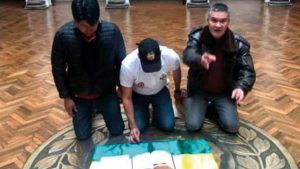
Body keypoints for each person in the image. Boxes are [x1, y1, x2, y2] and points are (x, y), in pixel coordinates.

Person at [51, 0, 126, 140]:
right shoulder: (62, 36)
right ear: (75, 21)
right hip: (80, 95)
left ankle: (98, 109)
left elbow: (121, 63)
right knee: (82, 136)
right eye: (84, 26)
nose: (89, 30)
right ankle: (91, 111)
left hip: (106, 93)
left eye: (93, 25)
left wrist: (122, 88)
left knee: (117, 130)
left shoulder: (112, 31)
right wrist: (66, 97)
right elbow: (58, 69)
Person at [183, 3, 256, 133]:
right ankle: (190, 101)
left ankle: (211, 110)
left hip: (223, 93)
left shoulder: (239, 43)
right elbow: (188, 55)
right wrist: (198, 59)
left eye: (223, 21)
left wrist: (241, 87)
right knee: (193, 125)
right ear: (208, 21)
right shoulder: (197, 36)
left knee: (232, 127)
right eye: (214, 20)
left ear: (228, 22)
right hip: (199, 91)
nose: (218, 25)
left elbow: (247, 70)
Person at [121, 38, 183, 143]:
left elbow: (177, 69)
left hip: (160, 91)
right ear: (138, 57)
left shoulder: (171, 56)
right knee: (139, 127)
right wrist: (133, 126)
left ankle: (156, 112)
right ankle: (145, 111)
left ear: (161, 53)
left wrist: (177, 90)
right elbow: (126, 98)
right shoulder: (128, 65)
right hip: (138, 94)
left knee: (168, 125)